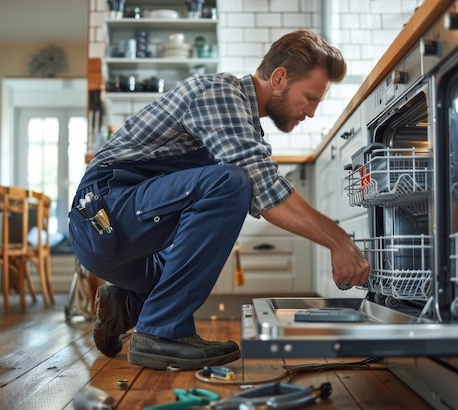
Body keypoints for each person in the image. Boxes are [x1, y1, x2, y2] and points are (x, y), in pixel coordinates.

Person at [69, 29, 370, 371]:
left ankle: (130, 302)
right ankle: (160, 333)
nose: (312, 112)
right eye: (311, 98)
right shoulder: (221, 93)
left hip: (126, 245)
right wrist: (340, 242)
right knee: (231, 184)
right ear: (280, 78)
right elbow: (265, 190)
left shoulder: (244, 123)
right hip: (103, 217)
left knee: (220, 201)